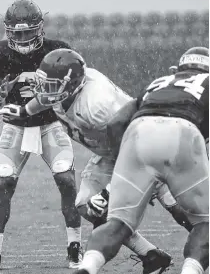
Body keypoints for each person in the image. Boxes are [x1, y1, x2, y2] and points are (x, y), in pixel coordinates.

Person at [0, 48, 178, 273]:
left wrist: (112, 190)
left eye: (50, 86)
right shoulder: (67, 89)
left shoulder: (96, 106)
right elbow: (48, 98)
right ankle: (151, 255)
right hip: (114, 153)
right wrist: (24, 111)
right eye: (44, 84)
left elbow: (137, 144)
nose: (43, 91)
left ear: (72, 85)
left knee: (180, 207)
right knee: (87, 205)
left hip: (146, 149)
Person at [73, 47, 209, 274]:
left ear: (178, 69)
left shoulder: (161, 82)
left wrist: (123, 170)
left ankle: (88, 267)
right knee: (205, 224)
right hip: (183, 132)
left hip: (138, 133)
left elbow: (116, 124)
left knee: (117, 223)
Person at [0, 0, 82, 271]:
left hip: (50, 124)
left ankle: (75, 246)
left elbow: (72, 94)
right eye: (17, 33)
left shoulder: (58, 51)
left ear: (40, 28)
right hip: (16, 127)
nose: (22, 38)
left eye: (27, 32)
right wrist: (1, 92)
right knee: (3, 185)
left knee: (66, 180)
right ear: (8, 31)